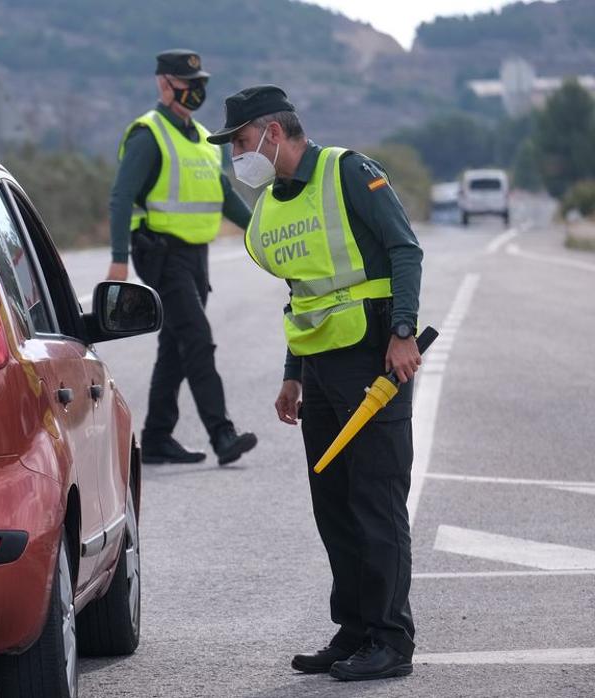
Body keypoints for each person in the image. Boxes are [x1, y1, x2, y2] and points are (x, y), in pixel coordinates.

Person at [206, 85, 424, 681]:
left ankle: (390, 638)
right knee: (333, 504)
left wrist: (403, 331)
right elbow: (304, 292)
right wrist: (291, 374)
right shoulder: (273, 203)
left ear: (273, 133)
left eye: (243, 142)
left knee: (374, 501)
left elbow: (405, 249)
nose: (238, 157)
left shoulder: (348, 172)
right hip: (320, 369)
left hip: (373, 356)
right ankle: (354, 630)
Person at [107, 48, 258, 466]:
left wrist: (262, 232)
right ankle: (222, 434)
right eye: (186, 84)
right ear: (163, 83)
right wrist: (119, 259)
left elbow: (225, 196)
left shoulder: (207, 142)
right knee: (196, 340)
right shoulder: (148, 134)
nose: (195, 91)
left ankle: (156, 437)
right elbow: (121, 198)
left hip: (195, 257)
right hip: (159, 253)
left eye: (199, 85)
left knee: (174, 346)